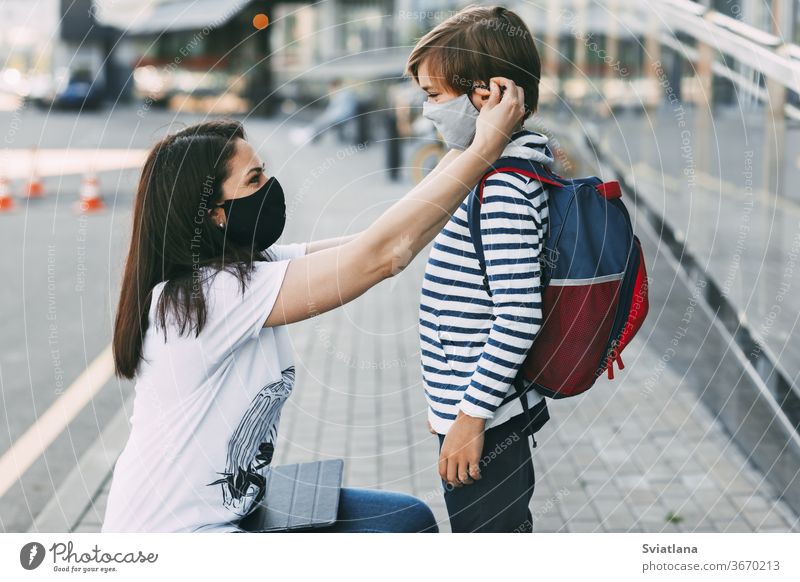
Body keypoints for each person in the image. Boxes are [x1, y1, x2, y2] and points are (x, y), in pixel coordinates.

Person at [101, 75, 526, 532]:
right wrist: (486, 145)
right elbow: (383, 256)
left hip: (235, 514)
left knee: (407, 519)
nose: (270, 184)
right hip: (180, 540)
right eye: (254, 179)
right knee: (400, 532)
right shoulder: (210, 295)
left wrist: (470, 138)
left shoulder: (250, 268)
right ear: (215, 216)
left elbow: (382, 240)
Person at [406, 5, 553, 532]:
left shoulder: (505, 188)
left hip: (486, 421)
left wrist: (468, 419)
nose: (427, 111)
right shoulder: (484, 170)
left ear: (487, 94)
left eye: (433, 95)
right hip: (473, 411)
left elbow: (517, 314)